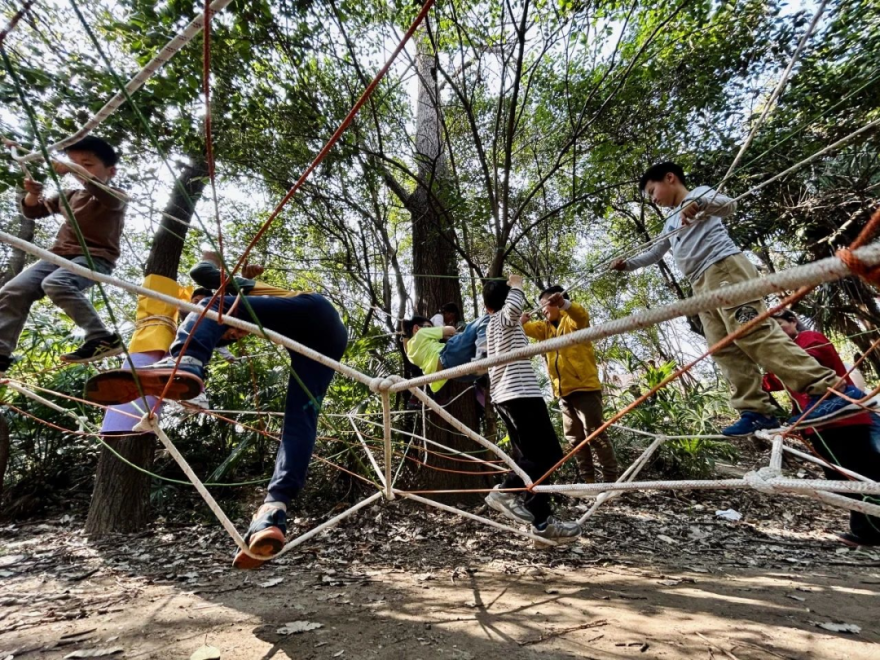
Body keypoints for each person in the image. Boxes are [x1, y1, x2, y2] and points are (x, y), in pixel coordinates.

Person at [85, 259, 348, 569]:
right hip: (327, 343)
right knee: (299, 420)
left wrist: (233, 280)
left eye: (226, 332)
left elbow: (200, 271)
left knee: (214, 306)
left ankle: (186, 360)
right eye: (230, 337)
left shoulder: (245, 292)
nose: (235, 334)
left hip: (315, 310)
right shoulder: (264, 314)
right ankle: (273, 511)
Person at [612, 162, 868, 437]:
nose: (653, 199)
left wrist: (698, 205)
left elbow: (727, 205)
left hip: (724, 269)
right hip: (700, 286)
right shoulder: (670, 220)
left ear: (670, 178)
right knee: (722, 347)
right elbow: (655, 252)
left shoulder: (697, 194)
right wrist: (627, 265)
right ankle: (755, 410)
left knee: (752, 333)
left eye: (652, 191)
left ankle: (830, 390)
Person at [0, 136, 127, 373]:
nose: (78, 169)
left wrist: (75, 169)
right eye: (74, 163)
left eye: (87, 164)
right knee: (13, 289)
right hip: (57, 257)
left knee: (57, 283)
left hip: (95, 257)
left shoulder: (116, 195)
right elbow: (33, 212)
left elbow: (105, 195)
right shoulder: (69, 195)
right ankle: (1, 352)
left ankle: (101, 338)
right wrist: (32, 195)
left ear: (111, 171)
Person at [763, 309, 880, 547]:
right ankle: (867, 530)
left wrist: (773, 353)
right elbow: (772, 382)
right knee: (842, 478)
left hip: (842, 422)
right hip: (818, 426)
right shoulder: (786, 355)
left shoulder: (810, 339)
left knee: (860, 473)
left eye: (779, 325)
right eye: (770, 331)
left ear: (793, 321)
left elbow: (808, 359)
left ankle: (871, 531)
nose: (776, 333)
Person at [482, 274, 581, 543]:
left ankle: (542, 524)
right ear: (503, 304)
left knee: (533, 459)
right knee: (548, 455)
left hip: (508, 396)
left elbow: (512, 315)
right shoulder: (503, 318)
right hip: (520, 395)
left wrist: (519, 320)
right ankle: (504, 491)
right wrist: (516, 284)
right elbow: (512, 309)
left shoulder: (499, 324)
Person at [521, 286, 619, 483]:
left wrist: (564, 304)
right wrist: (520, 320)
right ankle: (588, 481)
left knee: (596, 435)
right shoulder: (545, 328)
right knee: (575, 439)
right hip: (563, 392)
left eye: (546, 305)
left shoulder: (573, 320)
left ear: (558, 302)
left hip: (585, 388)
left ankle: (611, 481)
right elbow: (523, 328)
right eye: (541, 308)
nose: (543, 311)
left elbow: (580, 314)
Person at [402, 312, 489, 392]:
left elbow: (406, 348)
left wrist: (404, 334)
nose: (431, 330)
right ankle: (483, 355)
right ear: (416, 328)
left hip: (456, 373)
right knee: (486, 318)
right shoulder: (421, 333)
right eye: (429, 327)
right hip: (448, 355)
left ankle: (483, 364)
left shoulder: (410, 355)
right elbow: (451, 330)